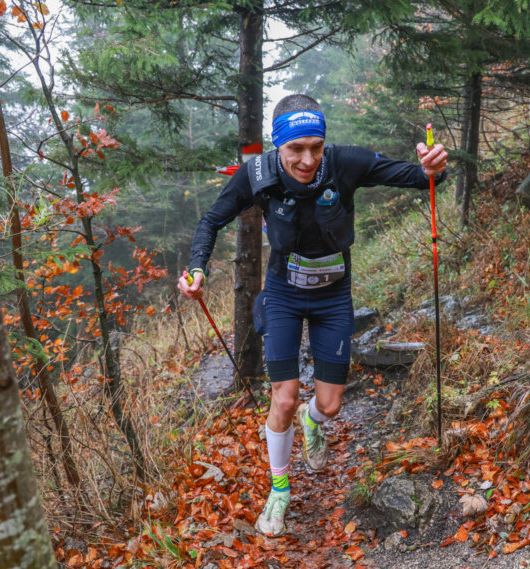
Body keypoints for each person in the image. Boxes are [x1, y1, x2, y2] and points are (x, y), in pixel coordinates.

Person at [177, 94, 448, 536]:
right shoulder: (257, 175)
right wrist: (196, 270)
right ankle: (279, 491)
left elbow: (422, 178)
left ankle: (312, 422)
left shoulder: (347, 164)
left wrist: (434, 165)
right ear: (277, 146)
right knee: (282, 397)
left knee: (329, 404)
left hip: (332, 295)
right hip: (283, 293)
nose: (307, 159)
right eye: (295, 149)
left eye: (315, 147)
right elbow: (211, 221)